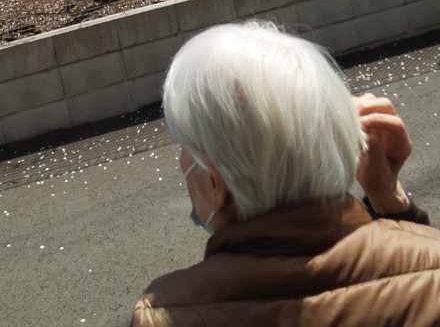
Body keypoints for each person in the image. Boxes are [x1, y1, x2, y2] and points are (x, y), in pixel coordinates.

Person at [132, 21, 440, 326]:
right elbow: (405, 280)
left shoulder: (159, 315)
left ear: (214, 183)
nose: (181, 162)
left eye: (184, 146)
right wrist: (394, 206)